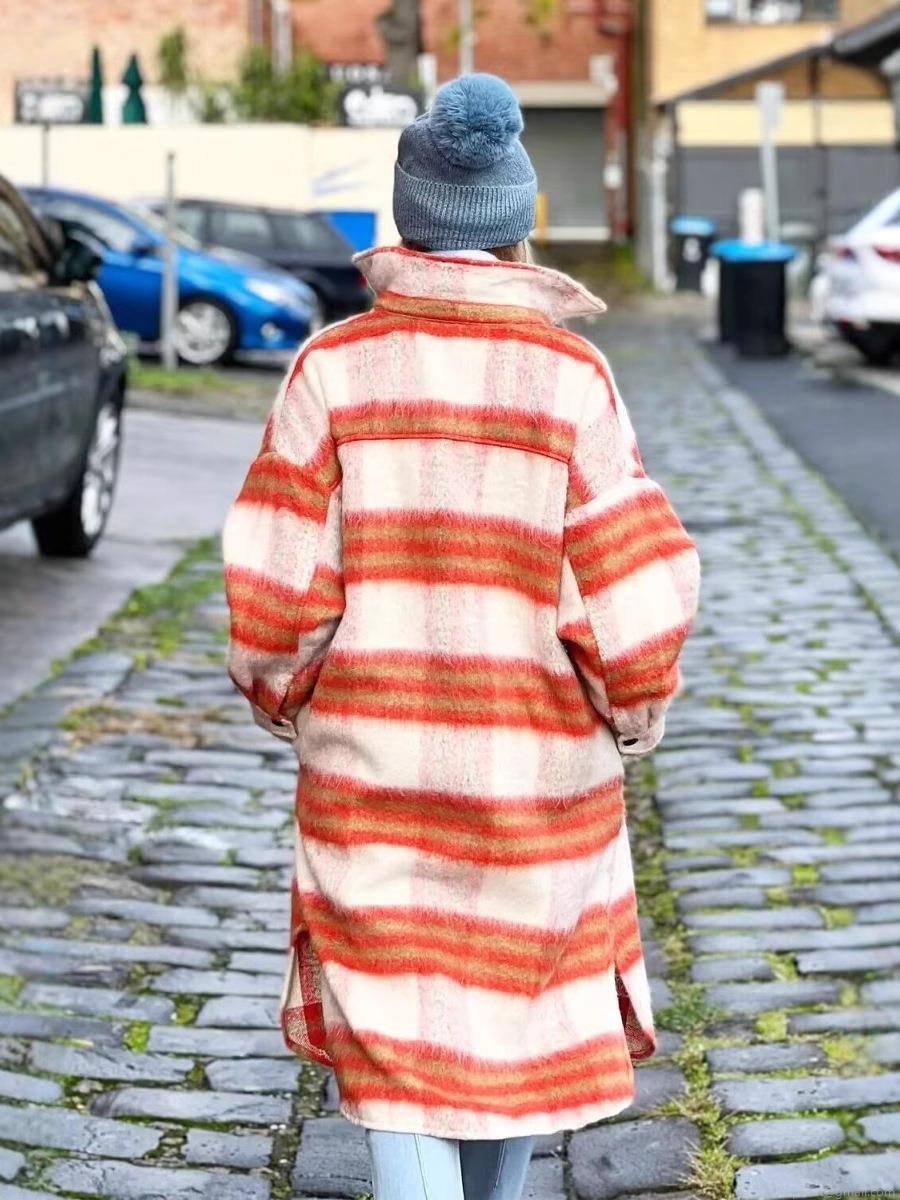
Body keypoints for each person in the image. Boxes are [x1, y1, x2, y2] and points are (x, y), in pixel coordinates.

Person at [223, 73, 700, 1200]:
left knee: (402, 1056)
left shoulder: (331, 371)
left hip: (373, 783)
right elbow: (627, 595)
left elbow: (279, 592)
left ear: (409, 218)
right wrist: (634, 711)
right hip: (538, 783)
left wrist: (286, 695)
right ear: (516, 215)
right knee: (506, 1047)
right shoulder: (573, 379)